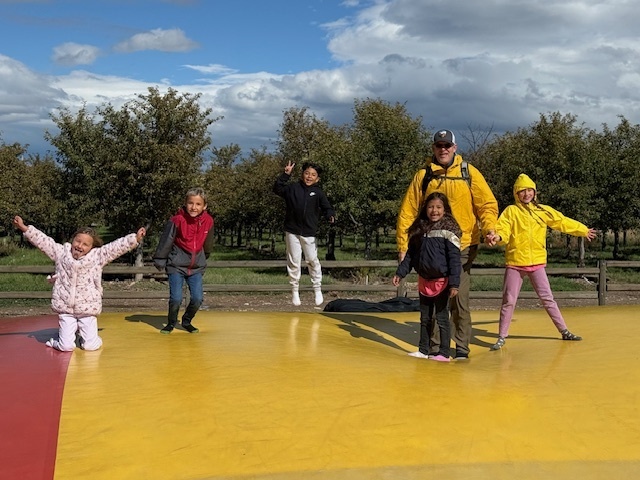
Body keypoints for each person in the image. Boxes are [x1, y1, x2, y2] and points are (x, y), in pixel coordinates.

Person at [397, 129, 499, 360]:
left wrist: (490, 229)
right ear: (433, 148)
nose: (443, 149)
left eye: (447, 146)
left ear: (455, 148)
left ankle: (461, 347)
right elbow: (408, 212)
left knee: (457, 298)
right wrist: (403, 245)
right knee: (433, 298)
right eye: (438, 145)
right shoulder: (423, 176)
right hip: (430, 246)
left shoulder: (469, 172)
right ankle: (434, 348)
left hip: (460, 246)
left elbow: (487, 205)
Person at [485, 173, 597, 350]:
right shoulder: (511, 211)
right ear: (516, 193)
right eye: (522, 191)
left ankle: (564, 331)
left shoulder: (543, 210)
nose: (526, 194)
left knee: (548, 299)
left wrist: (582, 230)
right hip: (515, 262)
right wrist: (497, 237)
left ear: (535, 192)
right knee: (509, 299)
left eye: (529, 190)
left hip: (537, 262)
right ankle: (501, 337)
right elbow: (503, 230)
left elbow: (561, 221)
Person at [13, 215, 145, 351]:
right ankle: (55, 342)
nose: (80, 246)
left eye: (85, 244)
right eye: (78, 241)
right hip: (66, 308)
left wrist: (134, 238)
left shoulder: (97, 257)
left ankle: (87, 338)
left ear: (91, 247)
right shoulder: (61, 254)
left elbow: (115, 248)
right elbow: (44, 241)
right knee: (66, 346)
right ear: (72, 240)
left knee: (90, 346)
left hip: (87, 309)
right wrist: (24, 228)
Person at [393, 192, 462, 362]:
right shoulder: (420, 229)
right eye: (431, 207)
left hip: (442, 281)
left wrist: (454, 283)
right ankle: (423, 350)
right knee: (425, 318)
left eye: (438, 207)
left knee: (441, 318)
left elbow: (454, 260)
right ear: (425, 209)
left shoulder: (449, 230)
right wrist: (400, 273)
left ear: (444, 209)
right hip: (424, 280)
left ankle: (444, 353)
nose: (434, 211)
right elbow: (410, 256)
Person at [273, 160, 335, 306]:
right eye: (307, 173)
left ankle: (317, 288)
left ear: (317, 178)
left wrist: (330, 215)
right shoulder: (293, 188)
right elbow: (277, 188)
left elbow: (327, 208)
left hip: (309, 232)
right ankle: (295, 290)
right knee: (294, 261)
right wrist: (285, 174)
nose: (309, 177)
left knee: (312, 260)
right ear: (302, 174)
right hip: (292, 231)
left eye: (313, 175)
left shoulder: (318, 193)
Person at [153, 187, 214, 334]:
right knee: (176, 299)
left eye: (198, 204)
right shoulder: (177, 220)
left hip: (196, 267)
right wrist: (160, 259)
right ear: (185, 203)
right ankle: (171, 323)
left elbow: (208, 241)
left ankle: (186, 321)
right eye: (190, 203)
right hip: (176, 265)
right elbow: (166, 240)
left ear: (204, 206)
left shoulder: (208, 221)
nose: (194, 207)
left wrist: (205, 256)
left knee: (198, 298)